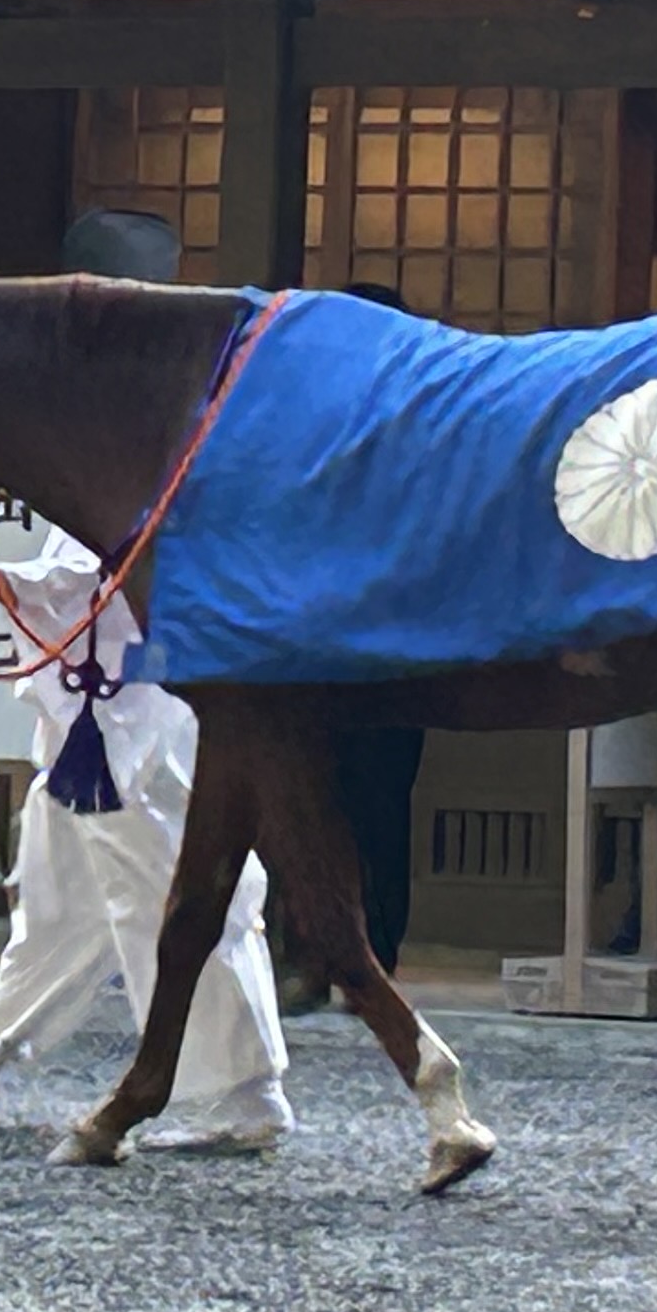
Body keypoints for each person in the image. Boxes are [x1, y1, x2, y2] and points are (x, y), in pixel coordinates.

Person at [0, 208, 292, 1151]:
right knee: (62, 892)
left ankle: (243, 1090)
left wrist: (14, 583)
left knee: (173, 893)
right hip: (96, 700)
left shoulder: (181, 408)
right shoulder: (123, 405)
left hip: (145, 698)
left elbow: (122, 563)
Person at [284, 277, 424, 1019]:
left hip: (392, 642)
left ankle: (377, 956)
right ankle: (319, 954)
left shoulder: (417, 426)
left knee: (379, 807)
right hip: (319, 641)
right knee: (316, 804)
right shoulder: (314, 421)